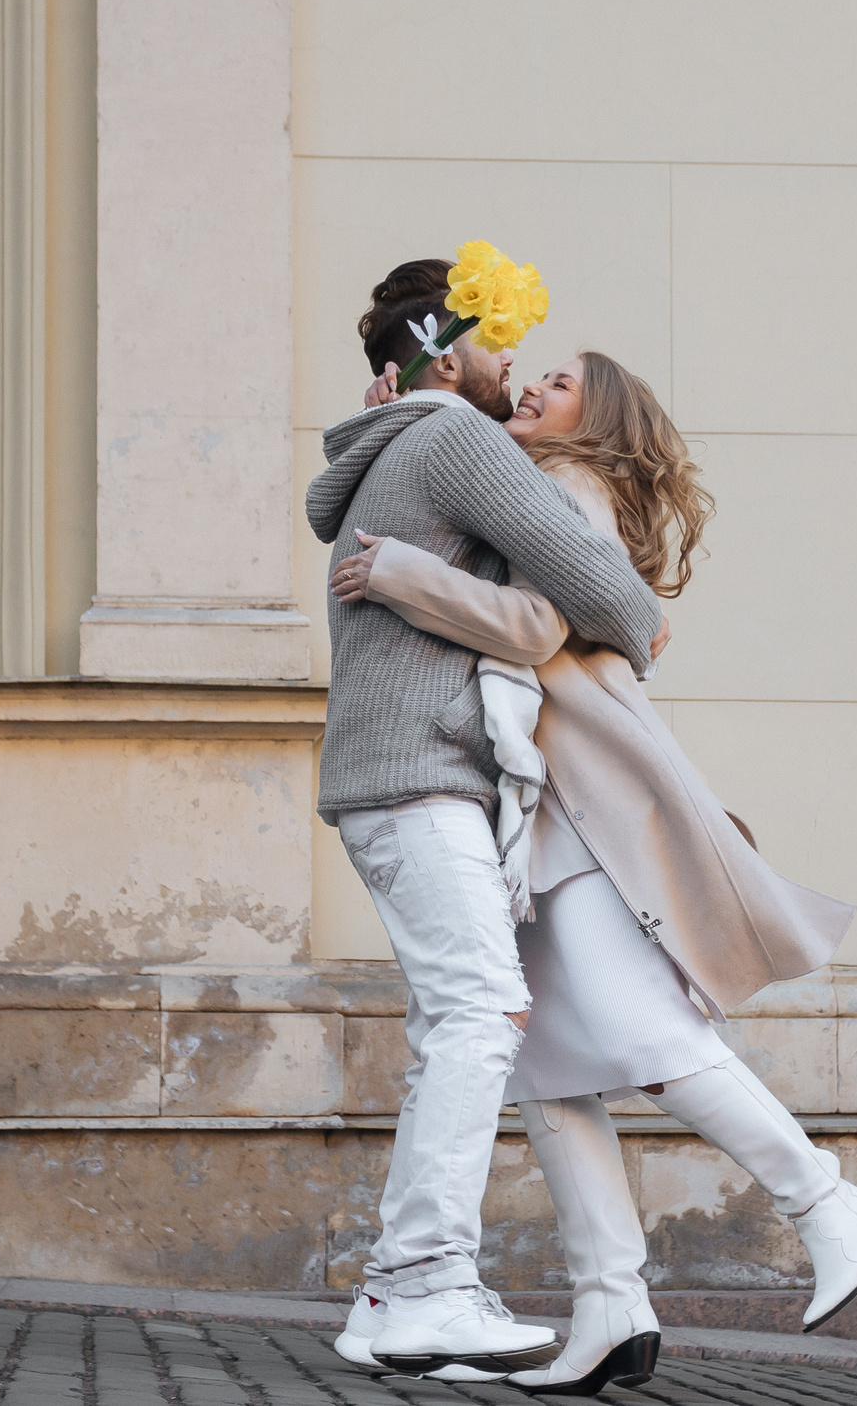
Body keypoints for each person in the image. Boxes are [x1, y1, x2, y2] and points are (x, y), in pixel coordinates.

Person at [331, 349, 857, 1394]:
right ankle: (610, 1303)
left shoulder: (566, 482)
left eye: (561, 383)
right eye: (532, 375)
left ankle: (825, 1202)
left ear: (601, 420)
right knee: (545, 1065)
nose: (536, 388)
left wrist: (401, 573)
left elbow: (539, 626)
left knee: (638, 1034)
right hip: (538, 808)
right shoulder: (517, 474)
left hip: (581, 808)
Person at [306, 262, 665, 1379]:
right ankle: (428, 1285)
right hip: (421, 775)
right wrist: (638, 624)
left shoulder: (389, 448)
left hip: (387, 775)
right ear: (446, 352)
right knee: (482, 1011)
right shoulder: (457, 443)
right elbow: (616, 601)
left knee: (451, 1024)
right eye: (505, 351)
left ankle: (383, 1296)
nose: (516, 378)